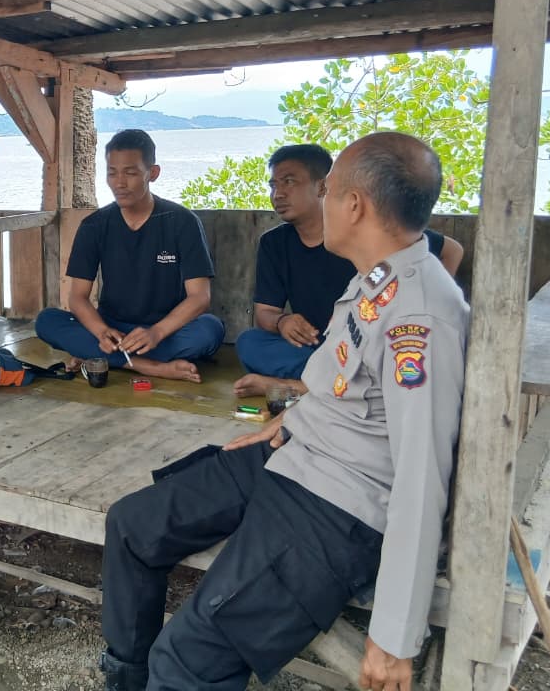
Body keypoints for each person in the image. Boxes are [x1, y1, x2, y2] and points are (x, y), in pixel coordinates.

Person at [97, 132, 469, 691]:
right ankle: (126, 680)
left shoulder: (421, 316)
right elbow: (347, 388)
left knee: (186, 661)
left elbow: (422, 476)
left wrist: (395, 634)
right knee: (132, 526)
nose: (321, 200)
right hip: (292, 451)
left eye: (329, 190)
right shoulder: (376, 279)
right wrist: (289, 418)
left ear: (353, 205)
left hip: (336, 504)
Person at [234, 143, 463, 394]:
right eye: (273, 185)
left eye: (289, 182)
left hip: (363, 345)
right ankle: (332, 383)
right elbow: (265, 312)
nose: (277, 194)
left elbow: (451, 250)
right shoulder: (275, 243)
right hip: (315, 346)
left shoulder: (359, 233)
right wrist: (282, 322)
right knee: (250, 343)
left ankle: (306, 386)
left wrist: (423, 301)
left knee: (383, 357)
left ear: (323, 187)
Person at [35, 129, 225, 382]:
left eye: (131, 173)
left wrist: (156, 333)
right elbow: (78, 298)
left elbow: (200, 297)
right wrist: (101, 332)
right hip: (113, 328)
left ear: (153, 173)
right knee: (47, 321)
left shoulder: (182, 221)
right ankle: (147, 366)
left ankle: (101, 356)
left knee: (210, 331)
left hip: (165, 330)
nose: (119, 183)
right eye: (112, 173)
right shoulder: (95, 225)